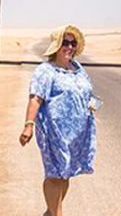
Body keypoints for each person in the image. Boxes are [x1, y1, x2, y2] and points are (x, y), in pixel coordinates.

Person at [19, 25, 97, 216]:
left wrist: (92, 104)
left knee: (66, 172)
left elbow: (87, 93)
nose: (69, 47)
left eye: (73, 43)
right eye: (65, 43)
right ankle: (56, 213)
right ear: (56, 46)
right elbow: (36, 98)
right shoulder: (46, 71)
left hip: (77, 134)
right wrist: (28, 125)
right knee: (55, 173)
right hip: (54, 132)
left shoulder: (78, 69)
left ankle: (51, 212)